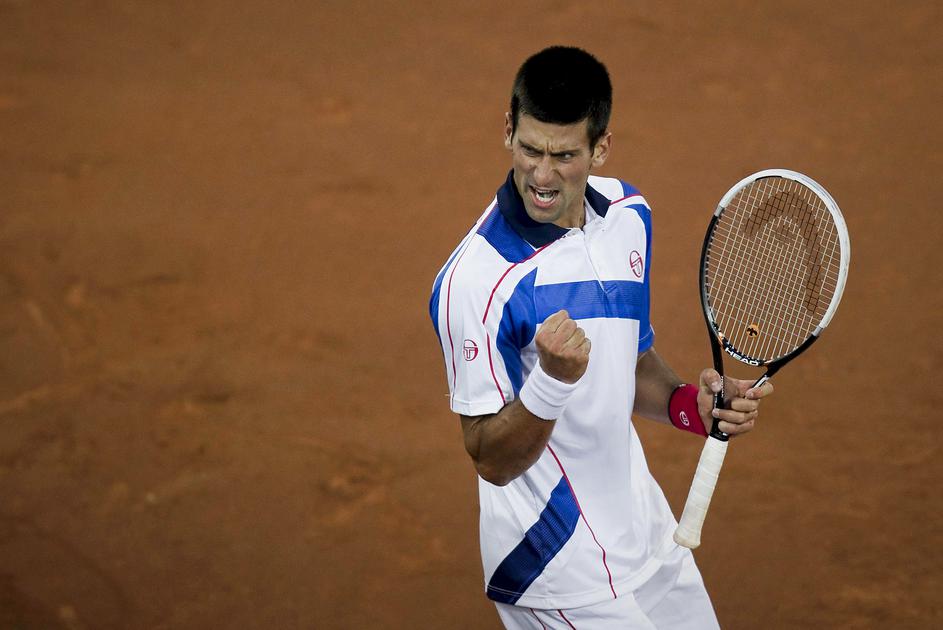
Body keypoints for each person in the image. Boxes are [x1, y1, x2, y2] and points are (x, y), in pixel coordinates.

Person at [429, 46, 773, 629]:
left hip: (645, 534)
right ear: (508, 130)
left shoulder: (628, 215)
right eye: (530, 149)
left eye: (564, 156)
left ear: (601, 147)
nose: (542, 176)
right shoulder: (477, 281)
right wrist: (552, 382)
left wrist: (691, 405)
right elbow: (490, 457)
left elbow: (629, 362)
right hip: (554, 567)